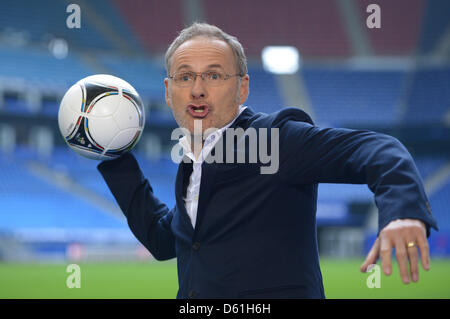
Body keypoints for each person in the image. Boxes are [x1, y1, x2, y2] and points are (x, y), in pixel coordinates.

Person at [98, 22, 438, 299]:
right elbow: (164, 240)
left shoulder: (276, 139)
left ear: (243, 88)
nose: (198, 89)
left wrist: (403, 210)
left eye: (214, 75)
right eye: (185, 77)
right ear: (169, 91)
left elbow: (376, 149)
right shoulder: (192, 162)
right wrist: (114, 158)